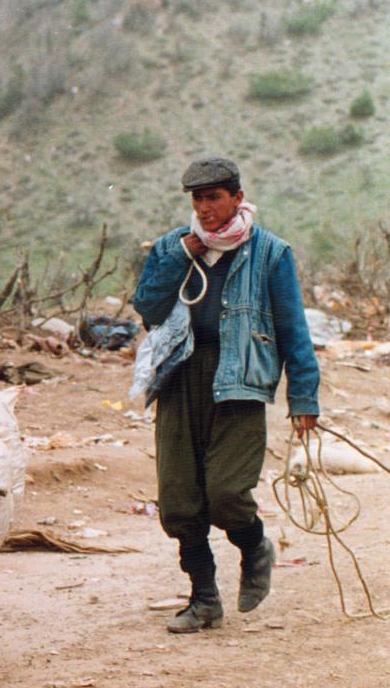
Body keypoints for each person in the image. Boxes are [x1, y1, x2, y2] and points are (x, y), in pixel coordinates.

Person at [131, 157, 319, 634]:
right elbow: (148, 306)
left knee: (227, 493)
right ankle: (203, 599)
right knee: (178, 500)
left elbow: (293, 328)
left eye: (214, 197)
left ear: (237, 198)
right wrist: (180, 255)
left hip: (240, 380)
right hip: (179, 378)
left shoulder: (271, 252)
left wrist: (304, 399)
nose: (205, 207)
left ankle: (255, 546)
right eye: (197, 198)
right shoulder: (175, 246)